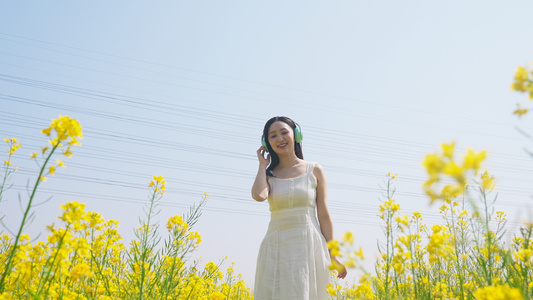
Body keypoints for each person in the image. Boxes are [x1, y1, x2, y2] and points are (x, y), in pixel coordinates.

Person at [252, 116, 347, 299]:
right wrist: (262, 165)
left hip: (309, 244)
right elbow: (259, 195)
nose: (279, 138)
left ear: (296, 135)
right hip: (276, 247)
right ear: (266, 142)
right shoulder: (268, 175)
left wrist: (332, 255)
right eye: (272, 135)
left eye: (284, 132)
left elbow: (324, 215)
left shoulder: (314, 170)